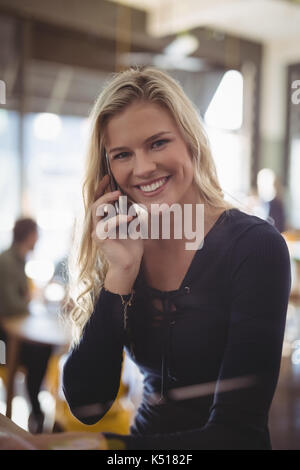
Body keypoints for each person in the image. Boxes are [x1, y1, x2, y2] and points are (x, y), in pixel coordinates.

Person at [62, 67, 291, 450]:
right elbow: (87, 404)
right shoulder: (124, 245)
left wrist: (105, 450)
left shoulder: (255, 246)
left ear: (190, 140)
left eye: (157, 143)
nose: (143, 168)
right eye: (122, 154)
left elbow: (238, 435)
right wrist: (122, 270)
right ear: (108, 171)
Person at [0, 218, 52, 433]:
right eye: (36, 234)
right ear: (29, 235)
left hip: (13, 326)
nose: (38, 239)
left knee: (44, 349)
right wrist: (30, 301)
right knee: (41, 351)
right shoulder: (7, 261)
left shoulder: (19, 259)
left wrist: (29, 300)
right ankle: (36, 411)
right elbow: (12, 306)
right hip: (4, 335)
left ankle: (36, 410)